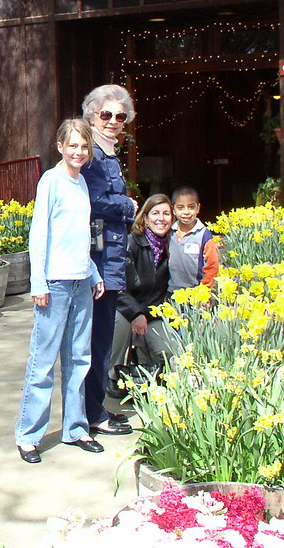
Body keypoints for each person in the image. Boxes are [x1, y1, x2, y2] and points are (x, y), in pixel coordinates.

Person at [15, 118, 106, 463]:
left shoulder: (81, 182)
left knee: (79, 358)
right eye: (73, 146)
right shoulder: (51, 181)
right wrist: (38, 282)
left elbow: (80, 235)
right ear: (60, 147)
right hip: (54, 285)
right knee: (43, 362)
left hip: (82, 281)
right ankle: (28, 436)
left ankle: (75, 428)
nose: (79, 152)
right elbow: (39, 235)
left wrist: (93, 272)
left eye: (84, 146)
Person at [80, 84, 137, 437]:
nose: (114, 121)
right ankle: (92, 413)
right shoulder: (94, 156)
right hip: (100, 258)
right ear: (92, 116)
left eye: (120, 116)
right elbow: (95, 201)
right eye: (106, 114)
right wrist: (128, 207)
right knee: (97, 339)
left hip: (111, 255)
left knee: (101, 336)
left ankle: (95, 407)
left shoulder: (108, 154)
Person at [110, 194, 182, 382]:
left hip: (154, 314)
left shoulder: (173, 245)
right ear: (146, 218)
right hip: (126, 310)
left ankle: (145, 371)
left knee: (168, 352)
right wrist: (135, 314)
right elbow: (118, 286)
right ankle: (111, 377)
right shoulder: (131, 242)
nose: (161, 218)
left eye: (166, 214)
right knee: (120, 325)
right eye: (156, 213)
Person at [168, 185, 220, 293]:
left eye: (191, 207)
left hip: (195, 293)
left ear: (198, 208)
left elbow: (212, 266)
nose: (186, 212)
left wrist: (204, 290)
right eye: (181, 207)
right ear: (173, 210)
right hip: (172, 291)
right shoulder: (169, 232)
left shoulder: (204, 235)